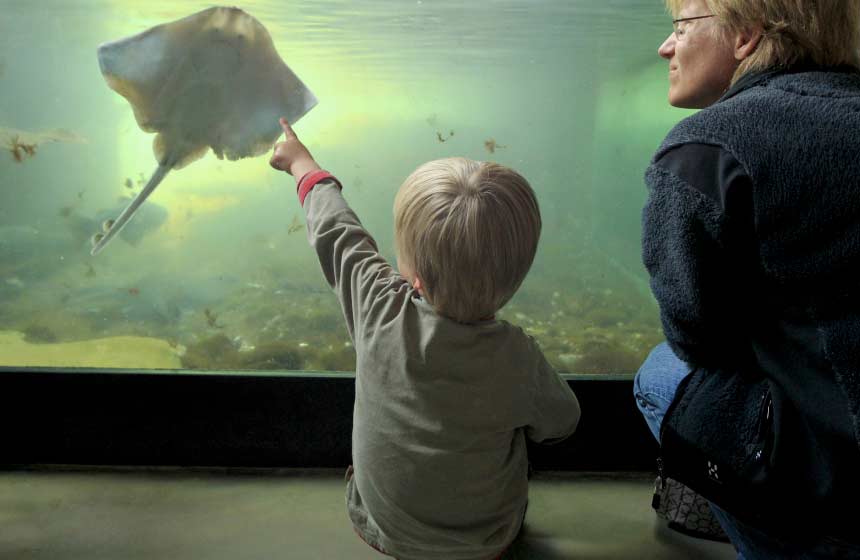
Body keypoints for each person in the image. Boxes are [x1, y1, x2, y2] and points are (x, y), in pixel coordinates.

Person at [269, 118, 581, 560]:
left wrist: (302, 163)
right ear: (518, 276)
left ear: (409, 271)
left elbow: (337, 232)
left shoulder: (377, 306)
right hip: (487, 540)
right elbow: (562, 422)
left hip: (385, 530)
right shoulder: (518, 357)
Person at [633, 0, 860, 557]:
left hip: (841, 474)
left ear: (746, 37)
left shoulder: (705, 149)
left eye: (680, 26)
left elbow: (697, 339)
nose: (667, 46)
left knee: (660, 372)